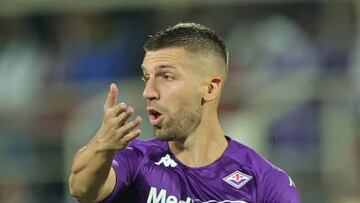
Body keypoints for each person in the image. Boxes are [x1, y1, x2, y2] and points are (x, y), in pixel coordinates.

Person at [68, 22, 301, 203]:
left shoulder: (264, 181)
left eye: (166, 77)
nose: (148, 92)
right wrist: (102, 145)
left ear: (210, 88)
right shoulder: (137, 160)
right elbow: (82, 188)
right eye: (146, 78)